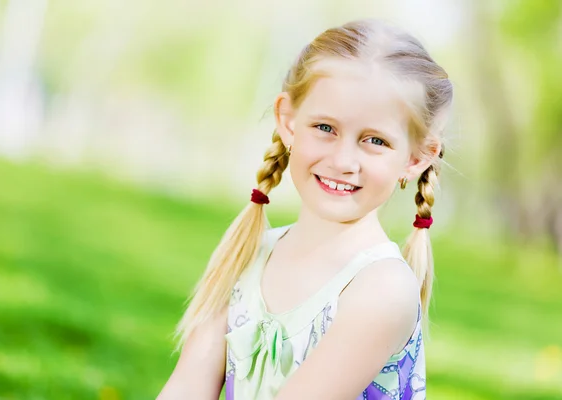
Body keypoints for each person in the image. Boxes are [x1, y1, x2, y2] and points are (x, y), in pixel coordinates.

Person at [158, 18, 453, 400]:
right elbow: (186, 388)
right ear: (289, 121)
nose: (344, 160)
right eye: (326, 128)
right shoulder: (251, 252)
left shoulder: (383, 289)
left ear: (416, 158)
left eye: (375, 140)